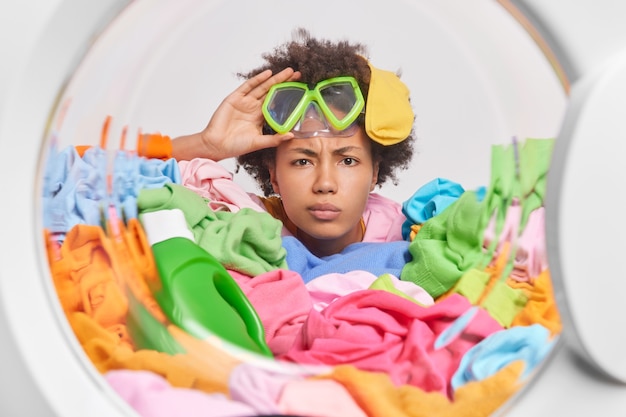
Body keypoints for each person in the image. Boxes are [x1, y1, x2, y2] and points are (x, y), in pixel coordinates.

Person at [146, 28, 416, 257]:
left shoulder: (410, 238)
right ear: (273, 175)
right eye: (302, 161)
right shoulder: (241, 222)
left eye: (347, 160)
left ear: (374, 174)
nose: (325, 184)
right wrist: (208, 145)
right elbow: (114, 178)